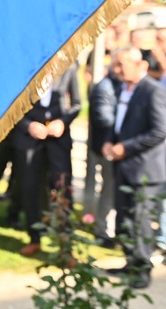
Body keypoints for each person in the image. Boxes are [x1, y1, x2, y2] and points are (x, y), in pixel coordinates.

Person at [102, 46, 166, 289]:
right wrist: (110, 139)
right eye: (115, 65)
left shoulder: (153, 91)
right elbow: (118, 122)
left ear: (141, 65)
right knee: (125, 217)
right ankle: (130, 261)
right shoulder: (122, 88)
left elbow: (160, 130)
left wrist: (125, 148)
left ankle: (142, 269)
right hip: (125, 166)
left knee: (141, 220)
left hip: (146, 171)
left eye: (121, 65)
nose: (116, 70)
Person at [12, 63, 82, 257]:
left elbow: (77, 104)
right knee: (29, 187)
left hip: (58, 139)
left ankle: (65, 244)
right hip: (29, 139)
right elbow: (11, 106)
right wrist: (28, 125)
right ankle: (35, 238)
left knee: (62, 187)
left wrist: (63, 122)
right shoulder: (25, 68)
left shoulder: (67, 69)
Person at [87, 52, 122, 248]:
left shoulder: (120, 85)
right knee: (108, 190)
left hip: (117, 147)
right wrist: (128, 126)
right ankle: (103, 231)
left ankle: (111, 229)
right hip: (106, 148)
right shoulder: (104, 88)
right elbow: (103, 119)